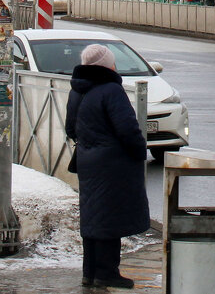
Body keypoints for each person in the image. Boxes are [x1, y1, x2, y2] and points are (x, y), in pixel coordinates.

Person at [65, 43, 150, 289]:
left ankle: (89, 272)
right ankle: (107, 272)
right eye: (112, 62)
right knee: (110, 218)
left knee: (93, 217)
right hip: (113, 163)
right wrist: (139, 151)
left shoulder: (77, 90)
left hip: (87, 160)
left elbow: (71, 128)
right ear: (106, 65)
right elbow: (127, 129)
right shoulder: (111, 90)